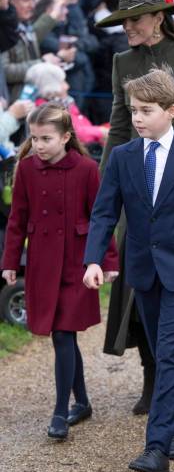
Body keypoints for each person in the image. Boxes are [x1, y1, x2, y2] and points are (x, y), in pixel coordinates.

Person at [83, 67, 174, 472]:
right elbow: (104, 211)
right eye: (133, 111)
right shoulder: (125, 157)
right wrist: (94, 258)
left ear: (171, 110)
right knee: (163, 353)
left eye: (146, 110)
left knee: (167, 353)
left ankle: (156, 448)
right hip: (141, 270)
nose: (137, 118)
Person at [97, 0, 174, 416]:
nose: (128, 27)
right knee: (138, 286)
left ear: (159, 18)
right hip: (136, 187)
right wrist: (106, 183)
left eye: (135, 19)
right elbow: (118, 127)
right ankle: (152, 378)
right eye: (123, 20)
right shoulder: (121, 60)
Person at [1, 103, 119, 440]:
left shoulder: (86, 169)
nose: (38, 145)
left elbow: (101, 219)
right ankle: (80, 401)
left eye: (46, 138)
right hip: (41, 263)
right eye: (34, 138)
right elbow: (17, 219)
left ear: (66, 137)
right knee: (62, 334)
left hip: (78, 263)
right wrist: (10, 262)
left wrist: (108, 261)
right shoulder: (25, 169)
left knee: (64, 333)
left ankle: (59, 412)